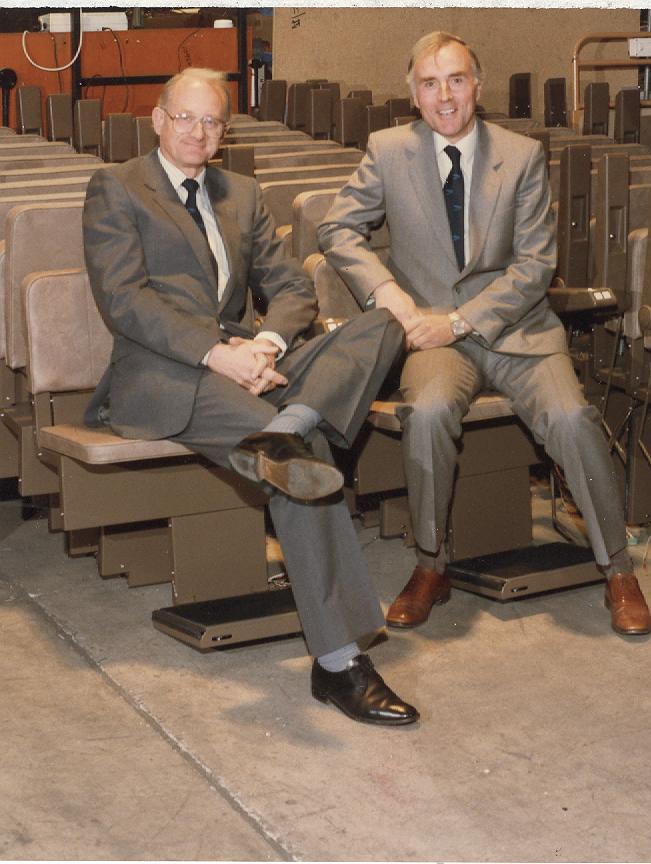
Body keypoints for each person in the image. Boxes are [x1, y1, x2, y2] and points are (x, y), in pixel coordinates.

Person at [82, 68, 418, 726]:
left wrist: (262, 347)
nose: (197, 132)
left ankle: (288, 418)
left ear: (225, 130)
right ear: (157, 119)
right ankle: (340, 663)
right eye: (184, 118)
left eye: (211, 121)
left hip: (250, 363)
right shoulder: (117, 188)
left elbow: (291, 287)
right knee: (303, 459)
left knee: (383, 324)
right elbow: (125, 302)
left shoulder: (243, 192)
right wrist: (219, 356)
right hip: (165, 373)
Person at [318, 32, 651, 636]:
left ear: (478, 85)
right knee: (426, 414)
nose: (444, 96)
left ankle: (619, 570)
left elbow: (534, 266)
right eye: (429, 83)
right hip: (432, 338)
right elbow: (338, 229)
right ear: (413, 95)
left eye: (455, 80)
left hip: (517, 329)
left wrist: (462, 320)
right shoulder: (388, 151)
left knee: (573, 419)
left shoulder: (520, 155)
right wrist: (389, 296)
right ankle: (430, 565)